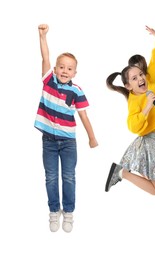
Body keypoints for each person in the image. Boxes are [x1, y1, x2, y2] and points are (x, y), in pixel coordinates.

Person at [35, 24, 98, 232]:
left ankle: (68, 212)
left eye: (69, 68)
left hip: (68, 142)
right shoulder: (49, 82)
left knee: (69, 176)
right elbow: (45, 57)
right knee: (51, 176)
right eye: (61, 66)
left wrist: (92, 137)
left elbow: (84, 116)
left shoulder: (77, 91)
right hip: (49, 141)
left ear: (75, 72)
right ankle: (54, 211)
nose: (64, 71)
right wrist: (42, 36)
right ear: (55, 69)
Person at [104, 26, 155, 195]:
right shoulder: (134, 100)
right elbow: (133, 126)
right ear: (128, 86)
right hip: (148, 143)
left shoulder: (151, 82)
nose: (141, 79)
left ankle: (126, 171)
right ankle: (121, 173)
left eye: (141, 75)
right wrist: (147, 107)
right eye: (134, 78)